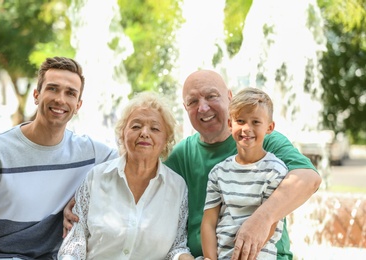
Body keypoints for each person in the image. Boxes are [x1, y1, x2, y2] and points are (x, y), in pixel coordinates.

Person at [64, 69, 322, 260]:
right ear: (185, 108)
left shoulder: (260, 139)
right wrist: (85, 201)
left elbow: (309, 179)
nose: (204, 107)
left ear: (230, 99)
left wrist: (261, 219)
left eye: (212, 97)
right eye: (193, 102)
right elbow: (138, 164)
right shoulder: (182, 154)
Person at [0, 56, 118, 259]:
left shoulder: (92, 153)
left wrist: (80, 198)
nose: (60, 99)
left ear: (78, 105)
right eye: (52, 88)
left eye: (70, 93)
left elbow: (137, 165)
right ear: (36, 95)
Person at [58, 91, 194, 260]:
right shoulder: (97, 177)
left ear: (166, 140)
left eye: (155, 128)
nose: (144, 133)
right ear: (123, 133)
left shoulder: (178, 187)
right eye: (136, 126)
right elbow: (75, 242)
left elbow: (176, 247)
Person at [201, 87, 288, 260]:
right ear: (229, 124)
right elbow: (208, 223)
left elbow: (268, 225)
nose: (246, 128)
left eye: (255, 122)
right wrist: (210, 259)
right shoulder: (218, 172)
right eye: (240, 121)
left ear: (269, 127)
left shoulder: (275, 170)